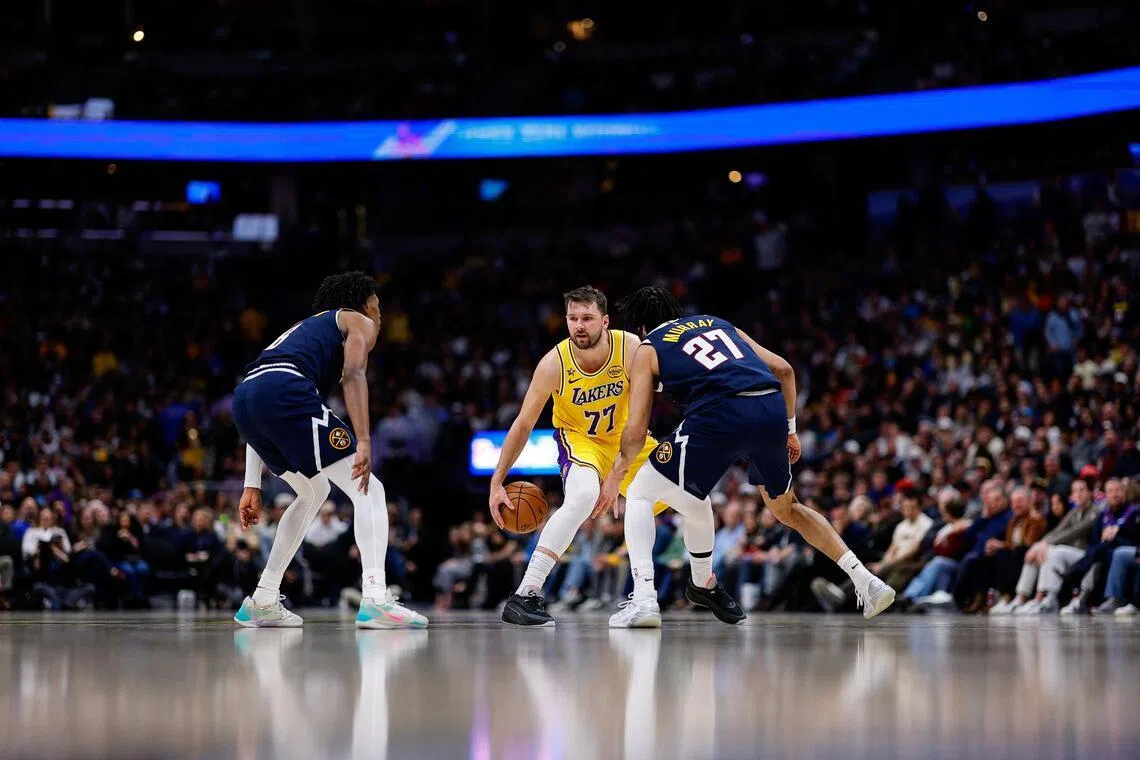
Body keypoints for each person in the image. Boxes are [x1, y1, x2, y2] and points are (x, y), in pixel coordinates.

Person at [596, 286, 895, 627]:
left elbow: (636, 430)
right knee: (787, 509)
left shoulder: (648, 347)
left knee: (640, 492)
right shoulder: (718, 323)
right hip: (770, 407)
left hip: (719, 414)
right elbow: (784, 370)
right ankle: (866, 581)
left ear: (642, 327)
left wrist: (618, 472)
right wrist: (791, 429)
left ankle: (646, 600)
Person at [230, 271, 426, 629]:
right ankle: (376, 598)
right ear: (367, 305)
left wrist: (252, 484)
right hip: (283, 391)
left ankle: (263, 598)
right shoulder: (359, 322)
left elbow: (261, 395)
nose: (379, 318)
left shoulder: (306, 332)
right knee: (370, 488)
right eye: (378, 309)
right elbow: (354, 375)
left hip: (246, 397)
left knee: (314, 490)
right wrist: (364, 440)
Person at [489, 287, 669, 626]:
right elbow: (524, 422)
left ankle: (705, 582)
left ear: (604, 320)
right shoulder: (553, 364)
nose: (578, 326)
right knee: (583, 496)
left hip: (628, 441)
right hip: (581, 440)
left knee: (687, 497)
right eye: (573, 319)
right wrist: (497, 481)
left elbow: (668, 384)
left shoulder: (630, 347)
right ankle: (526, 593)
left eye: (586, 318)